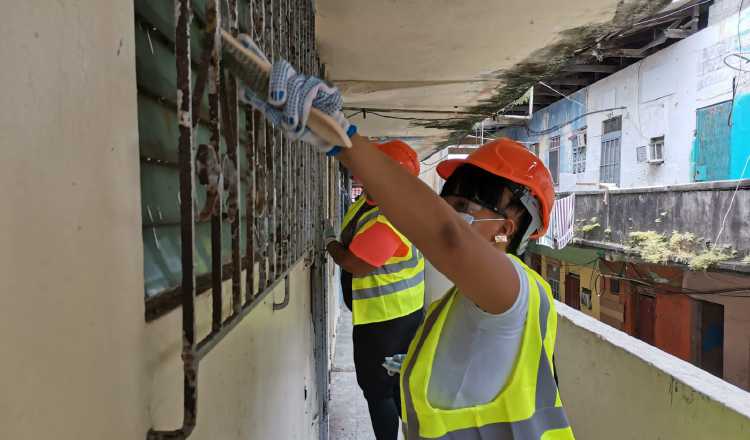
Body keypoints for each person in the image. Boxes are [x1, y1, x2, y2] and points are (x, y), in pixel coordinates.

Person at [237, 39, 574, 439]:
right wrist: (417, 362)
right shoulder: (474, 298)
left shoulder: (516, 293)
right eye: (450, 199)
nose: (451, 210)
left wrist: (340, 138)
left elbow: (447, 237)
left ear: (507, 228)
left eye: (467, 203)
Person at [324, 140, 425, 440]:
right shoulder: (371, 200)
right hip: (395, 315)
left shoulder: (389, 217)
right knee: (394, 385)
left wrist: (330, 243)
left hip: (386, 323)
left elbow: (356, 264)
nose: (361, 171)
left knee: (379, 390)